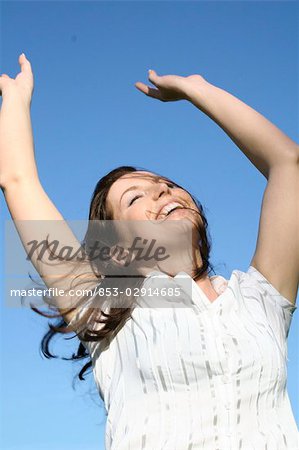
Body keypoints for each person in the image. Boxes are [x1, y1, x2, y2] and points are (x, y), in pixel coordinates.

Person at [0, 54, 298, 449]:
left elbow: (287, 164)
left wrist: (198, 89)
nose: (161, 191)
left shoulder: (260, 297)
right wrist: (16, 99)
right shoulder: (105, 307)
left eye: (166, 185)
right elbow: (18, 181)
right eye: (136, 197)